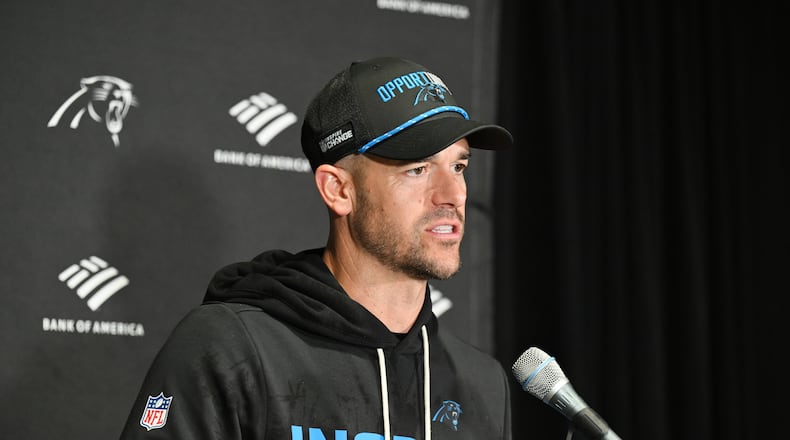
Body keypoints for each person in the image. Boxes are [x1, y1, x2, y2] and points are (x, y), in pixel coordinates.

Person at [119, 56, 514, 440]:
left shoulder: (483, 383)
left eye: (459, 166)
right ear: (338, 189)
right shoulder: (232, 348)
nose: (452, 195)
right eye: (418, 169)